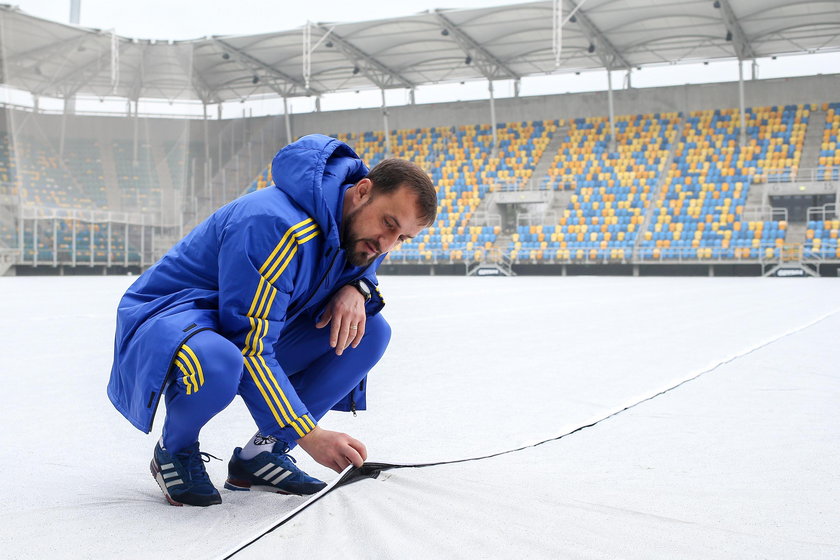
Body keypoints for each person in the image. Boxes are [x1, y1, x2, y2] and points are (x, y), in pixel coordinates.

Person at [107, 134, 437, 507]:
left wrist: (358, 288)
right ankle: (175, 449)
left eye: (402, 237)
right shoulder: (275, 225)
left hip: (230, 325)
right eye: (389, 223)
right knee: (220, 361)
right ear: (362, 191)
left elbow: (362, 268)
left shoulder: (359, 227)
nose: (387, 244)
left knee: (370, 331)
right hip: (169, 319)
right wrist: (309, 434)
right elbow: (249, 344)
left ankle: (262, 453)